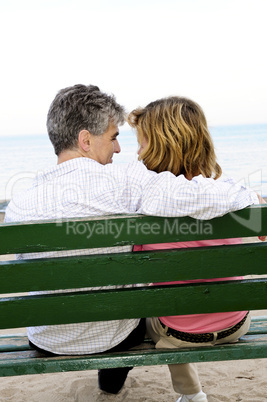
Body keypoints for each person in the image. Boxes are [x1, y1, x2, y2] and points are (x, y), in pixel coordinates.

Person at [5, 85, 259, 396]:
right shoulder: (125, 182)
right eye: (113, 137)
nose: (119, 150)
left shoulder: (19, 204)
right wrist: (250, 198)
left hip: (46, 339)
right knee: (133, 301)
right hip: (113, 337)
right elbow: (198, 195)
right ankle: (112, 384)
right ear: (86, 140)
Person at [128, 96, 265, 402]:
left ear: (161, 145)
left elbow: (136, 262)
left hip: (177, 334)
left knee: (159, 313)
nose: (136, 153)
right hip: (237, 322)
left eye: (141, 143)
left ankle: (192, 394)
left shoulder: (148, 205)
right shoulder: (232, 198)